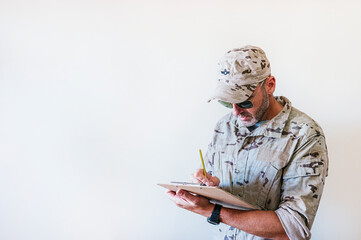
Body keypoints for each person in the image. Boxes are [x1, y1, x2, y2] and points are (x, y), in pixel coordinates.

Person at [166, 45, 329, 240]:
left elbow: (292, 228)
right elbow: (218, 186)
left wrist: (212, 211)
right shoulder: (225, 125)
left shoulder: (305, 135)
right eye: (227, 102)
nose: (235, 112)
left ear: (269, 85)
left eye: (244, 101)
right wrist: (207, 186)